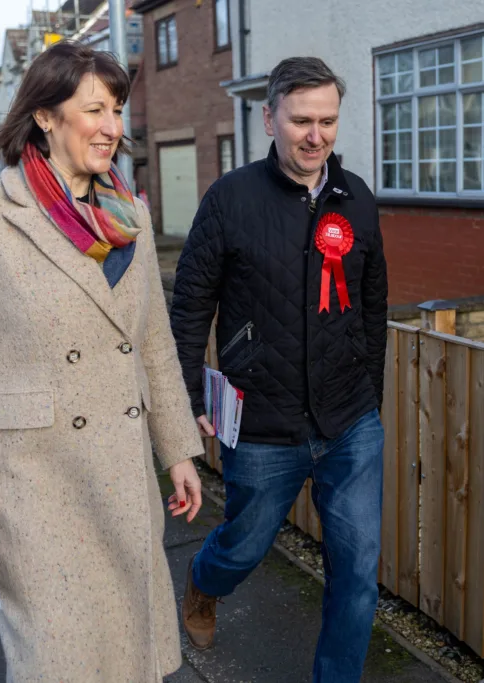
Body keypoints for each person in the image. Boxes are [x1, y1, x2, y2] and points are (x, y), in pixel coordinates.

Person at [0, 42, 205, 682]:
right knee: (58, 655)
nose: (112, 126)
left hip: (122, 472)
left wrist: (178, 450)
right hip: (33, 482)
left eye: (118, 109)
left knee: (130, 647)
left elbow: (153, 341)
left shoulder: (128, 214)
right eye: (95, 109)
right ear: (45, 116)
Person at [171, 57, 389, 682]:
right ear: (269, 118)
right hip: (263, 423)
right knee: (242, 548)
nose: (315, 135)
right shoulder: (230, 199)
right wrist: (189, 399)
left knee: (356, 576)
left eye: (327, 120)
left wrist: (370, 398)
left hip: (350, 423)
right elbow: (190, 308)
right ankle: (204, 582)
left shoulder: (358, 201)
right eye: (301, 120)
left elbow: (373, 309)